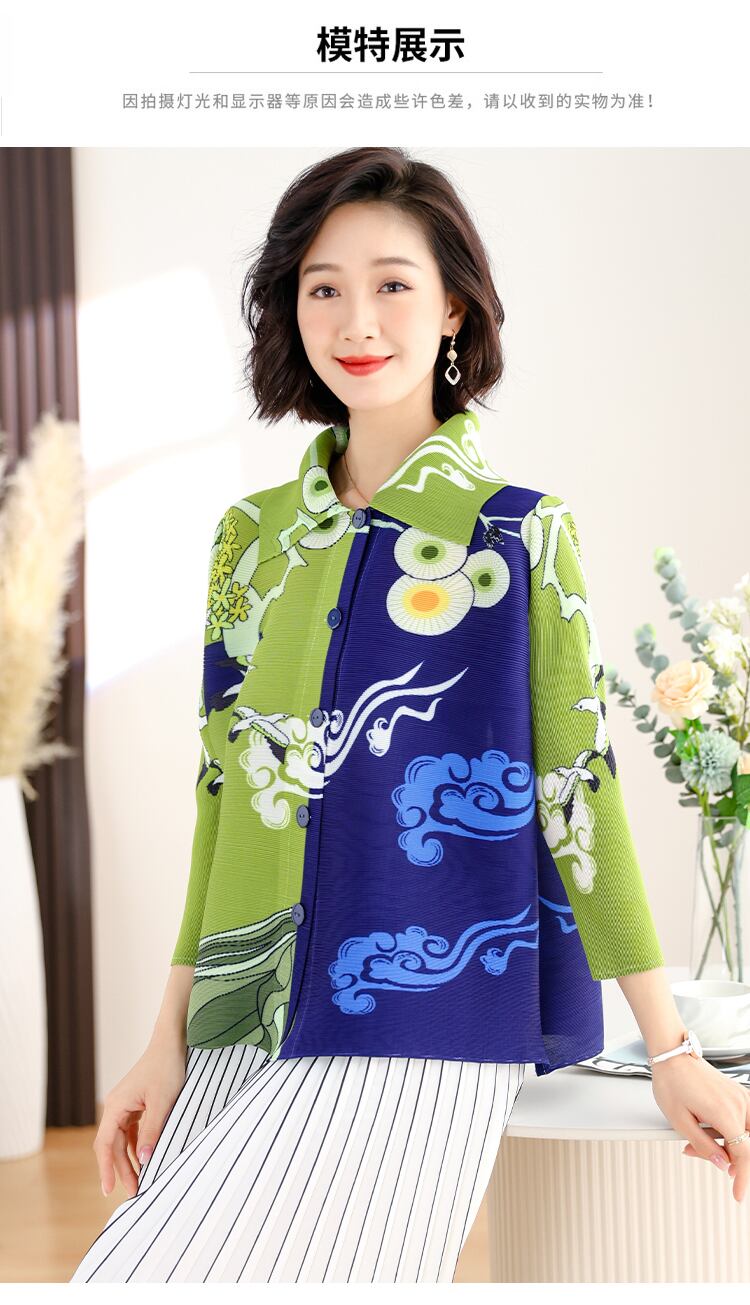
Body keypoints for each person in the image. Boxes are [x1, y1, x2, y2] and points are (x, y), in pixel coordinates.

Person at [70, 147, 749, 1284]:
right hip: (239, 1017)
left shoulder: (520, 533)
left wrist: (671, 1048)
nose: (356, 319)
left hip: (421, 1022)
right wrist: (164, 1036)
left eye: (392, 283)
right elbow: (225, 797)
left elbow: (577, 790)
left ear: (453, 309)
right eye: (322, 287)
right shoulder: (250, 539)